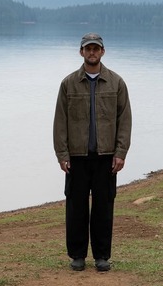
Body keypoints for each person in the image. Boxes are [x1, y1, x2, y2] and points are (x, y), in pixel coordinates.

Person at [53, 33, 132, 272]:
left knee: (103, 209)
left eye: (96, 49)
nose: (92, 52)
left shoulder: (117, 83)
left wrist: (121, 152)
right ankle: (77, 255)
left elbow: (124, 120)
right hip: (76, 158)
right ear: (81, 52)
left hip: (106, 158)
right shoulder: (68, 84)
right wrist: (62, 154)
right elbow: (60, 121)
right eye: (88, 49)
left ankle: (102, 256)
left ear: (103, 51)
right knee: (75, 208)